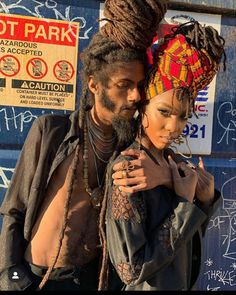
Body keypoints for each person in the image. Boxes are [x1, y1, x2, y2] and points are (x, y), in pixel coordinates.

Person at [0, 0, 168, 291]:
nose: (134, 96)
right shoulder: (53, 131)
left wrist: (161, 175)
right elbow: (14, 209)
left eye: (140, 85)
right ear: (94, 84)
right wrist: (11, 276)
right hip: (39, 278)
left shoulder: (131, 146)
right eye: (124, 85)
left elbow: (180, 184)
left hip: (94, 279)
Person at [102, 21, 226, 290]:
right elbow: (131, 270)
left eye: (183, 116)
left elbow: (184, 246)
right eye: (165, 112)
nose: (174, 127)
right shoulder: (130, 168)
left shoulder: (177, 164)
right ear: (144, 104)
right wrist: (183, 202)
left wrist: (203, 201)